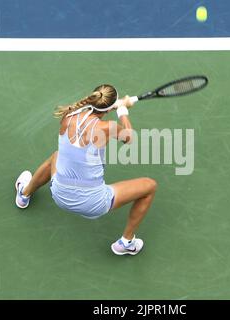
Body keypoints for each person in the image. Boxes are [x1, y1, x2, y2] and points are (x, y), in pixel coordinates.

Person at [14, 84, 157, 256]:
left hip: (59, 194)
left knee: (56, 156)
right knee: (149, 186)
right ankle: (126, 242)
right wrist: (122, 110)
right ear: (109, 106)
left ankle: (24, 194)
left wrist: (113, 105)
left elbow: (90, 117)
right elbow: (130, 138)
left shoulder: (68, 116)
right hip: (94, 204)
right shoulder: (107, 128)